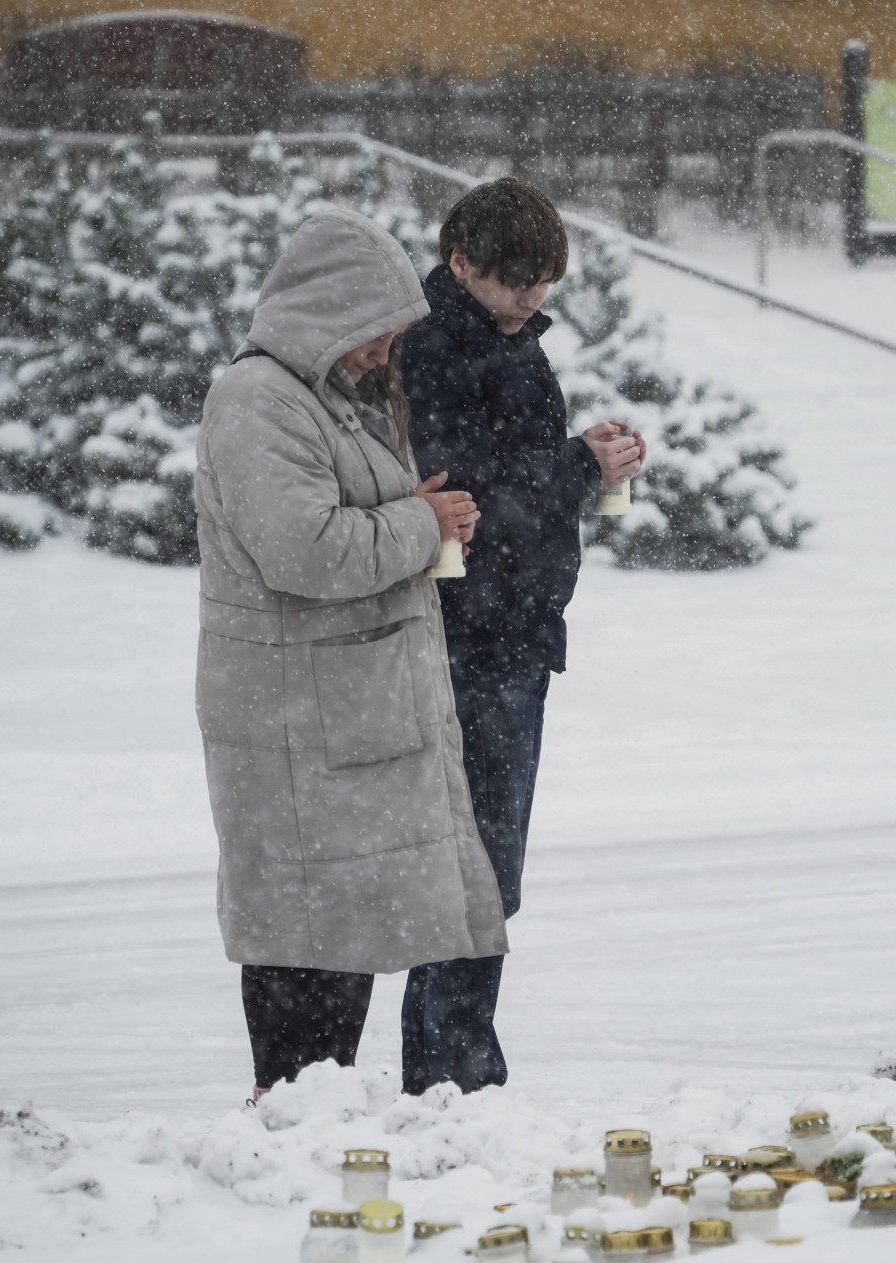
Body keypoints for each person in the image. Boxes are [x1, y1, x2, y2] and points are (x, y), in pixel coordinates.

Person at [193, 206, 505, 1100]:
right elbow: (304, 550)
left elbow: (343, 518)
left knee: (342, 939)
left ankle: (316, 1132)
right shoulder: (255, 401)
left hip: (341, 719)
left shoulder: (329, 398)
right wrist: (419, 522)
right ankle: (288, 1135)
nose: (383, 353)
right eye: (374, 334)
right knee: (305, 954)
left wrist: (418, 512)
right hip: (298, 723)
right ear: (323, 314)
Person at [397, 179, 645, 1094]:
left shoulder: (505, 339)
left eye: (543, 282)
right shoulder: (435, 346)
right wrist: (579, 464)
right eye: (514, 281)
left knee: (478, 868)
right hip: (470, 639)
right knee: (475, 869)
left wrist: (589, 464)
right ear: (461, 263)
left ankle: (448, 1065)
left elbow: (516, 483)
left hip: (511, 633)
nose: (531, 300)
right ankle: (454, 1070)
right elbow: (470, 494)